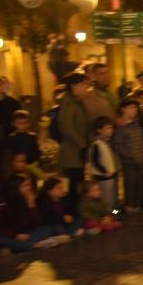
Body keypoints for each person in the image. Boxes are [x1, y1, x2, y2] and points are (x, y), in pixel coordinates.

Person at [56, 72, 91, 213]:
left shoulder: (77, 102)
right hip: (72, 153)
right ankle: (74, 215)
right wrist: (81, 142)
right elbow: (65, 126)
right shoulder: (69, 102)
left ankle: (80, 213)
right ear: (74, 86)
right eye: (84, 85)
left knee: (78, 184)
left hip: (78, 151)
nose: (86, 88)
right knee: (74, 186)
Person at [113, 99, 143, 212]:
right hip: (129, 162)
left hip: (140, 160)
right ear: (123, 109)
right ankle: (129, 206)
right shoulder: (121, 127)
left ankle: (137, 205)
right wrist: (130, 156)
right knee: (130, 184)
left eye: (136, 107)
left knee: (139, 184)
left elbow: (142, 141)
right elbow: (118, 145)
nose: (135, 110)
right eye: (132, 107)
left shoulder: (137, 125)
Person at [87, 116, 120, 211]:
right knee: (106, 199)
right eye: (107, 128)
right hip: (103, 176)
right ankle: (108, 216)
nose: (110, 131)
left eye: (111, 128)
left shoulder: (107, 142)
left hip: (111, 175)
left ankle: (114, 214)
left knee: (112, 197)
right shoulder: (97, 144)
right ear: (99, 130)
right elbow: (94, 161)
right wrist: (105, 171)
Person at [4, 110, 42, 180]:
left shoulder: (33, 137)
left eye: (25, 123)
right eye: (19, 123)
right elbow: (9, 155)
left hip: (32, 166)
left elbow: (37, 153)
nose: (22, 125)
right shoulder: (11, 138)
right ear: (13, 124)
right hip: (17, 168)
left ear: (29, 123)